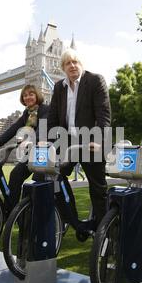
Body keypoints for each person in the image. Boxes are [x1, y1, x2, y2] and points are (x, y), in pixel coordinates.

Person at [47, 48, 111, 233]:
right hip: (68, 143)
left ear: (81, 64)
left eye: (75, 62)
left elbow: (104, 114)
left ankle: (104, 232)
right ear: (63, 68)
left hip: (91, 142)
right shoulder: (59, 87)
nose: (72, 66)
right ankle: (74, 221)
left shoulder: (95, 80)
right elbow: (52, 118)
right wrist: (47, 140)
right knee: (54, 178)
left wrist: (98, 138)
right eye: (68, 63)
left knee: (98, 189)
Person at [0, 84, 48, 212]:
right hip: (32, 152)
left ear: (37, 95)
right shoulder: (27, 114)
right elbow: (14, 128)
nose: (27, 97)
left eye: (31, 94)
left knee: (38, 180)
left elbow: (42, 128)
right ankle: (12, 212)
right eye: (25, 95)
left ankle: (37, 215)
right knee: (15, 175)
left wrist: (32, 141)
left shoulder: (46, 109)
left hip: (45, 153)